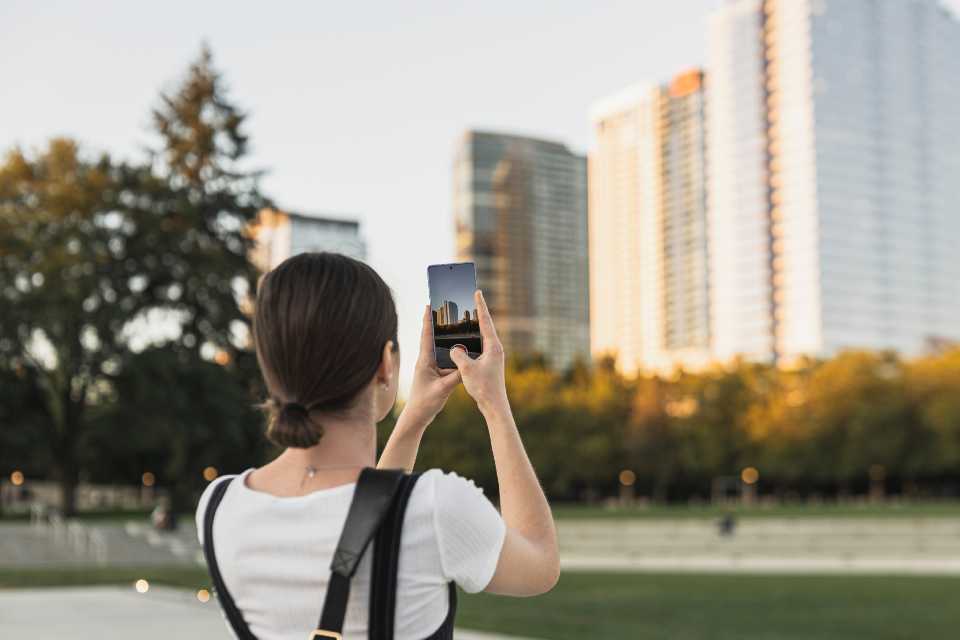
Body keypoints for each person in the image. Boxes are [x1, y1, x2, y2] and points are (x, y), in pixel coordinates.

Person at [196, 252, 559, 639]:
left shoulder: (218, 507)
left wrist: (415, 417)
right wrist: (494, 404)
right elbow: (540, 560)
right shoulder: (436, 507)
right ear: (386, 363)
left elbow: (368, 515)